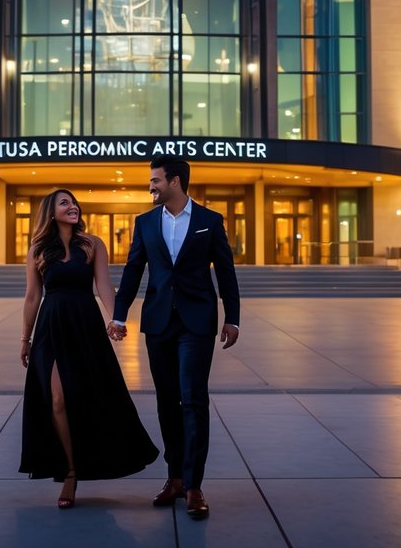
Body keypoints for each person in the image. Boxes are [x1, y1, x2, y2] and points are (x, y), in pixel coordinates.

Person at [108, 154, 240, 520]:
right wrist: (119, 315)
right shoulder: (146, 223)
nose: (150, 186)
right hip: (159, 324)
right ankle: (175, 478)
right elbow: (133, 270)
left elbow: (226, 272)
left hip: (197, 324)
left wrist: (234, 319)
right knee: (167, 401)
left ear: (176, 182)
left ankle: (195, 485)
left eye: (155, 180)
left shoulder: (210, 222)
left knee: (193, 399)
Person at [18, 188, 158, 509]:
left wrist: (117, 319)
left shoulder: (93, 244)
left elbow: (104, 285)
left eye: (74, 202)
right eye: (64, 203)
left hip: (85, 326)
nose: (73, 206)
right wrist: (24, 339)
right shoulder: (38, 249)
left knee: (87, 395)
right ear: (50, 212)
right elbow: (31, 296)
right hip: (50, 327)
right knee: (56, 399)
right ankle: (70, 471)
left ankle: (88, 458)